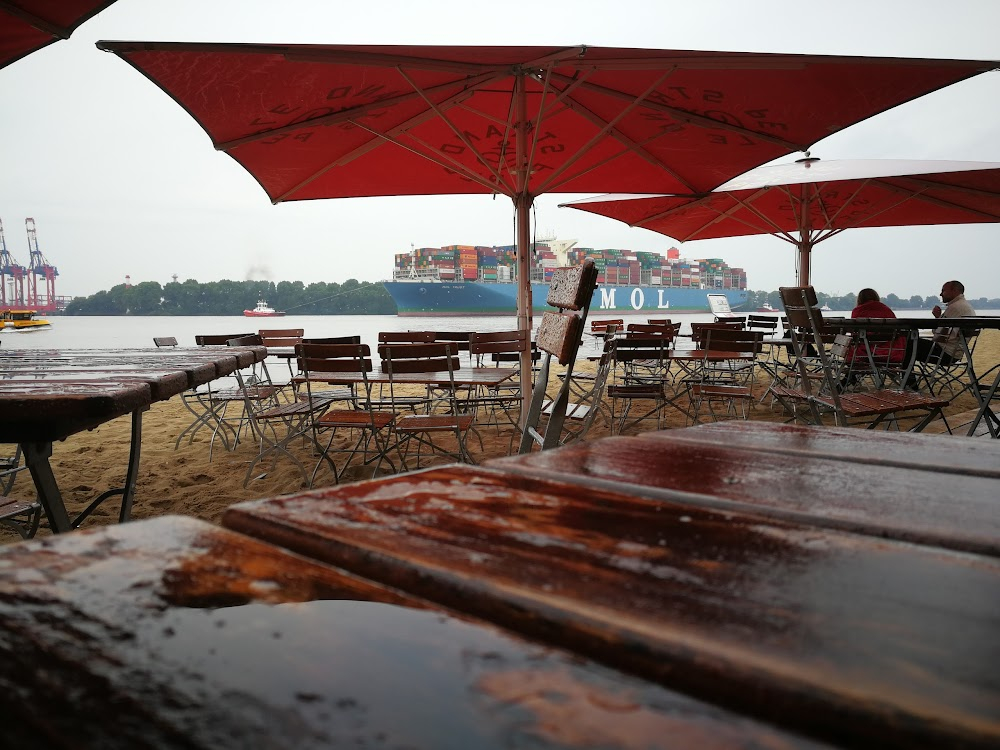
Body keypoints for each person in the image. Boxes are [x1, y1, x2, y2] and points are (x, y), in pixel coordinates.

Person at [842, 289, 904, 389]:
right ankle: (905, 382)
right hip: (889, 352)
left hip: (865, 353)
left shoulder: (858, 311)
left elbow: (855, 335)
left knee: (854, 351)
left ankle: (848, 381)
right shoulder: (886, 310)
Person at [913, 280, 976, 366]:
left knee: (908, 343)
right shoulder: (964, 306)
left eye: (943, 290)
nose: (941, 294)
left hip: (945, 353)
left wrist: (938, 320)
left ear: (954, 291)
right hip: (956, 353)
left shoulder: (955, 307)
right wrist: (938, 318)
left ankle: (908, 377)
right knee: (911, 343)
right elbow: (947, 331)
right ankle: (908, 375)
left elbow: (939, 333)